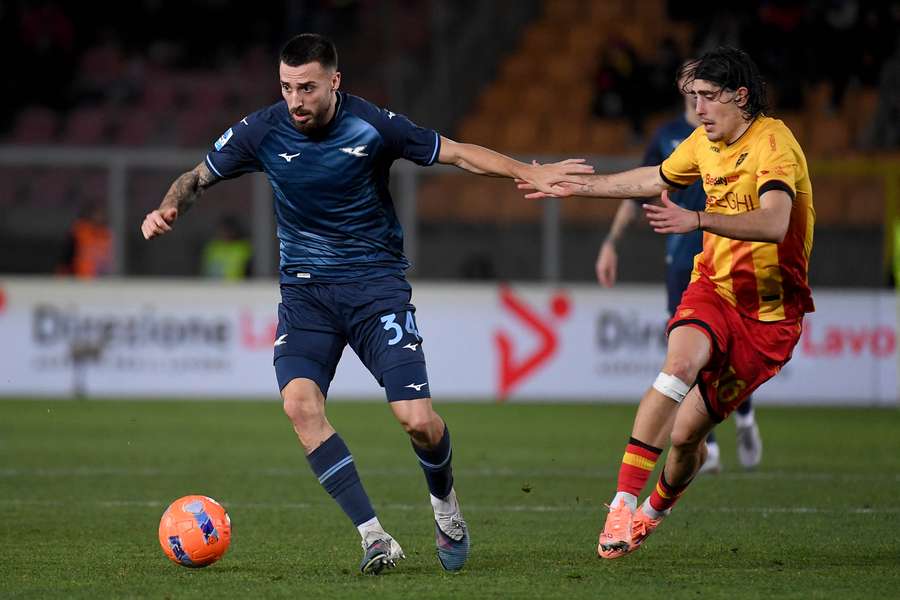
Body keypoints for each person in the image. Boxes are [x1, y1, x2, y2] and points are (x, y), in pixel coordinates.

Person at [141, 33, 590, 575]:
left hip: (376, 289)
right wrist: (168, 209)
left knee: (418, 422)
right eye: (286, 88)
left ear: (335, 81)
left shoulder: (373, 125)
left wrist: (528, 171)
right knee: (299, 406)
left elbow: (457, 152)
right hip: (306, 296)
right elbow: (196, 177)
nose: (296, 100)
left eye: (307, 87)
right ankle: (374, 536)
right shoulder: (261, 129)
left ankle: (446, 507)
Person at [519, 46, 814, 558]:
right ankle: (619, 505)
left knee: (684, 439)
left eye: (707, 97)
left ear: (739, 97)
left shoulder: (774, 145)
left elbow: (774, 223)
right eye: (692, 97)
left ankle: (651, 513)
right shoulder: (702, 142)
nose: (698, 109)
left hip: (769, 318)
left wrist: (697, 220)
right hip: (713, 288)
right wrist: (575, 187)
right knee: (676, 366)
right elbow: (653, 178)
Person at [595, 64, 763, 474]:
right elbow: (640, 189)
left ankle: (743, 416)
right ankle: (709, 440)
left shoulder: (737, 135)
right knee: (687, 350)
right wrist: (611, 243)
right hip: (682, 253)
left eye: (703, 85)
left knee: (730, 347)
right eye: (690, 84)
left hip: (728, 250)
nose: (695, 91)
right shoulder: (670, 137)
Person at [58, 205, 113, 278]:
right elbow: (67, 255)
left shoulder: (108, 234)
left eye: (101, 214)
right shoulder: (80, 231)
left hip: (102, 279)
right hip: (80, 278)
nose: (99, 217)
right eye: (96, 214)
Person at [201, 215, 252, 280]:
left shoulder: (244, 248)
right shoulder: (212, 247)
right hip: (213, 287)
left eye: (227, 230)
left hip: (238, 288)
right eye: (222, 230)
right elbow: (205, 271)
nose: (224, 233)